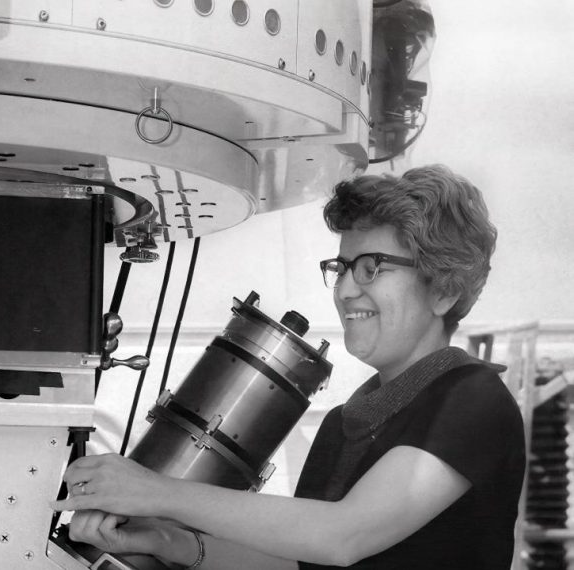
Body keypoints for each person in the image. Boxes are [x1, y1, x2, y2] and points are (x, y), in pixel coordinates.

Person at [54, 165, 525, 569]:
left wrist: (154, 492)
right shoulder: (344, 423)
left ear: (443, 289)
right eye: (342, 268)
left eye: (372, 267)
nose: (345, 291)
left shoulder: (473, 401)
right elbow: (306, 562)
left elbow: (342, 537)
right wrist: (169, 541)